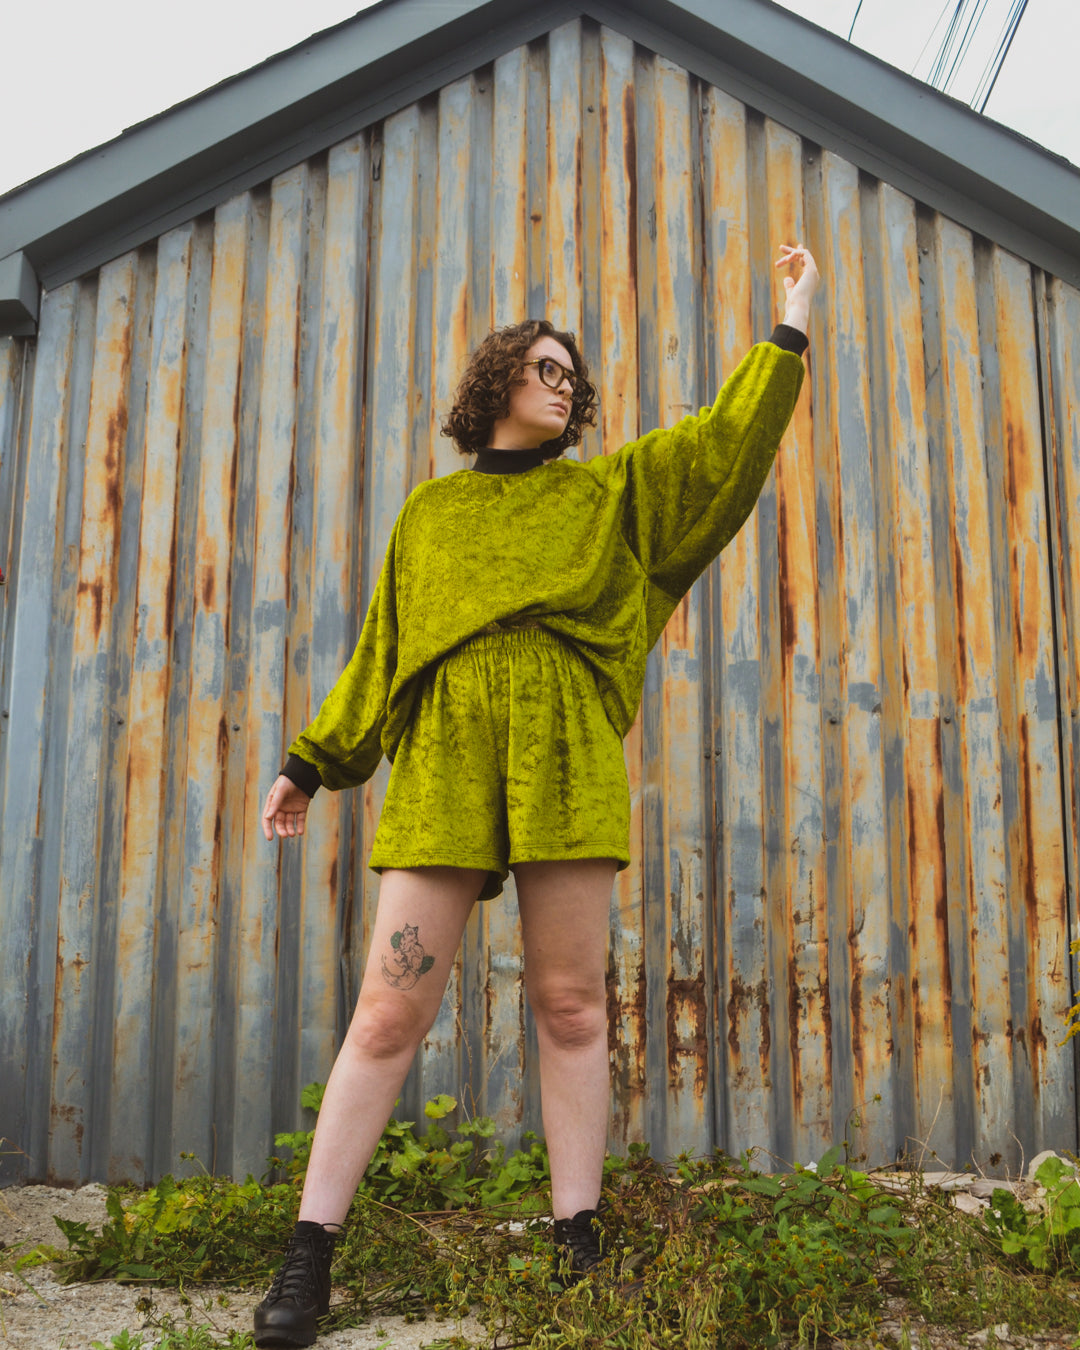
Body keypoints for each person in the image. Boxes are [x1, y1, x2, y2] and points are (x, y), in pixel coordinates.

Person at [252, 245, 820, 1348]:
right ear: (496, 383)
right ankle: (307, 1256)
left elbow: (720, 451)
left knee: (569, 1006)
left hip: (564, 747)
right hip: (447, 754)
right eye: (545, 368)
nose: (565, 386)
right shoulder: (430, 517)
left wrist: (788, 327)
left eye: (574, 377)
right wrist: (312, 761)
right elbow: (382, 653)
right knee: (385, 1012)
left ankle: (577, 1242)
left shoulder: (611, 494)